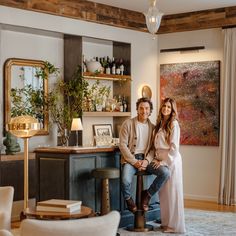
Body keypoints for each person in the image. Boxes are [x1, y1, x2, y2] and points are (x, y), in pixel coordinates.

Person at [119, 97, 170, 213]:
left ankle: (147, 194)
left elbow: (153, 148)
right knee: (125, 180)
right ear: (137, 109)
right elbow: (122, 145)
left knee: (165, 172)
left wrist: (146, 161)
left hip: (147, 160)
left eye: (147, 108)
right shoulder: (128, 124)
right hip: (131, 160)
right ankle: (128, 199)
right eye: (141, 108)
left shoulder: (153, 128)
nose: (144, 111)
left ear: (150, 110)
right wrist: (134, 162)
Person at [143, 97, 185, 233]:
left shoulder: (174, 124)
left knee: (173, 194)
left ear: (172, 110)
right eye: (164, 106)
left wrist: (163, 162)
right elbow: (156, 146)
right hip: (160, 160)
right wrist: (156, 158)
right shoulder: (160, 123)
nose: (166, 109)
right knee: (164, 195)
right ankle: (166, 223)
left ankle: (174, 226)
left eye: (169, 107)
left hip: (171, 162)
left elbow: (174, 148)